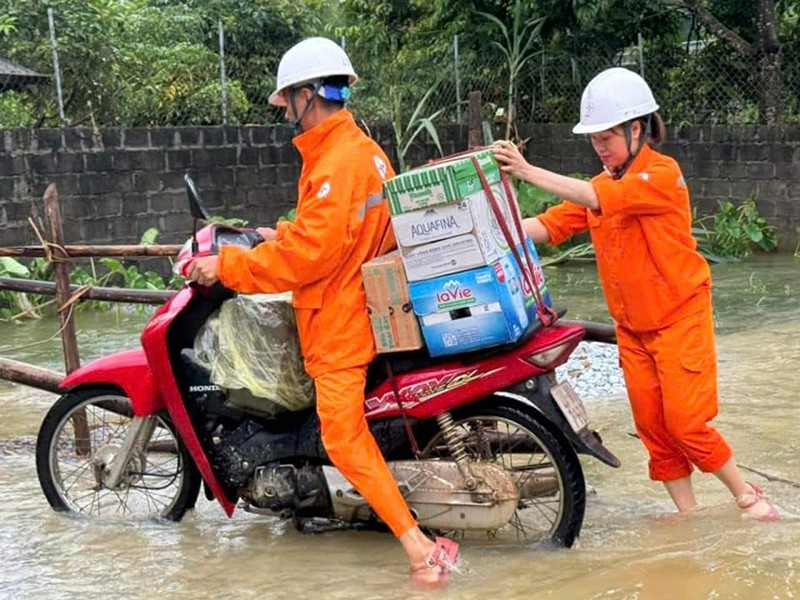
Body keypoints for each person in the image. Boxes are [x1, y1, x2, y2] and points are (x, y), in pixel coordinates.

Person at [185, 37, 458, 585]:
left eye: (288, 99)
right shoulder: (362, 151)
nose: (284, 109)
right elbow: (330, 233)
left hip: (340, 318)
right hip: (359, 304)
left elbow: (312, 255)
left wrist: (230, 268)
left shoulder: (335, 162)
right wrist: (272, 234)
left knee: (341, 437)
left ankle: (419, 550)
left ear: (311, 95)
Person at [492, 67, 780, 520]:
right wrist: (491, 232)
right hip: (634, 330)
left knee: (686, 425)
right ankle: (690, 519)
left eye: (607, 137)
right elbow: (548, 225)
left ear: (636, 129)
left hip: (679, 320)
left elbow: (596, 198)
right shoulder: (601, 188)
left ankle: (747, 496)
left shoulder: (661, 175)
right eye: (595, 140)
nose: (601, 147)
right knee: (652, 428)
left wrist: (526, 170)